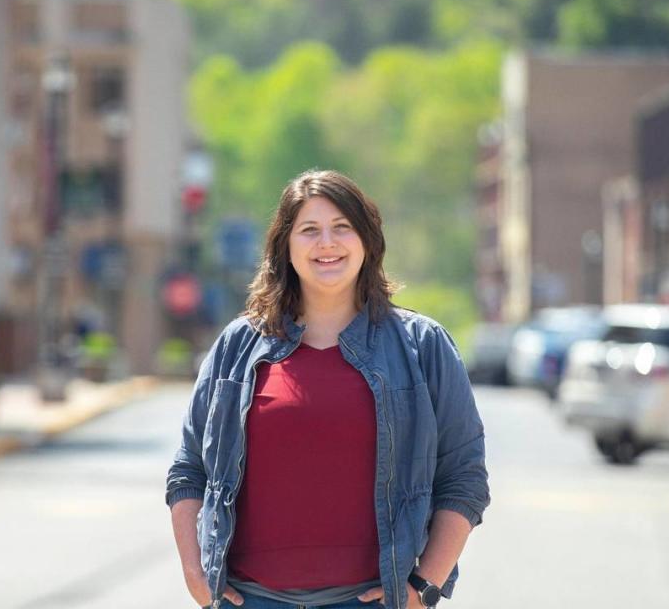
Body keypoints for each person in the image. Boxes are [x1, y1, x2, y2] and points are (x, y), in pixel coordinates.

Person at [166, 170, 490, 609]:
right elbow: (189, 469)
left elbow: (463, 477)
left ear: (367, 240)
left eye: (342, 228)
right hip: (249, 600)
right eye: (309, 230)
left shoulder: (422, 346)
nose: (327, 244)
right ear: (285, 245)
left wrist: (424, 586)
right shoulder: (237, 347)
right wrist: (195, 576)